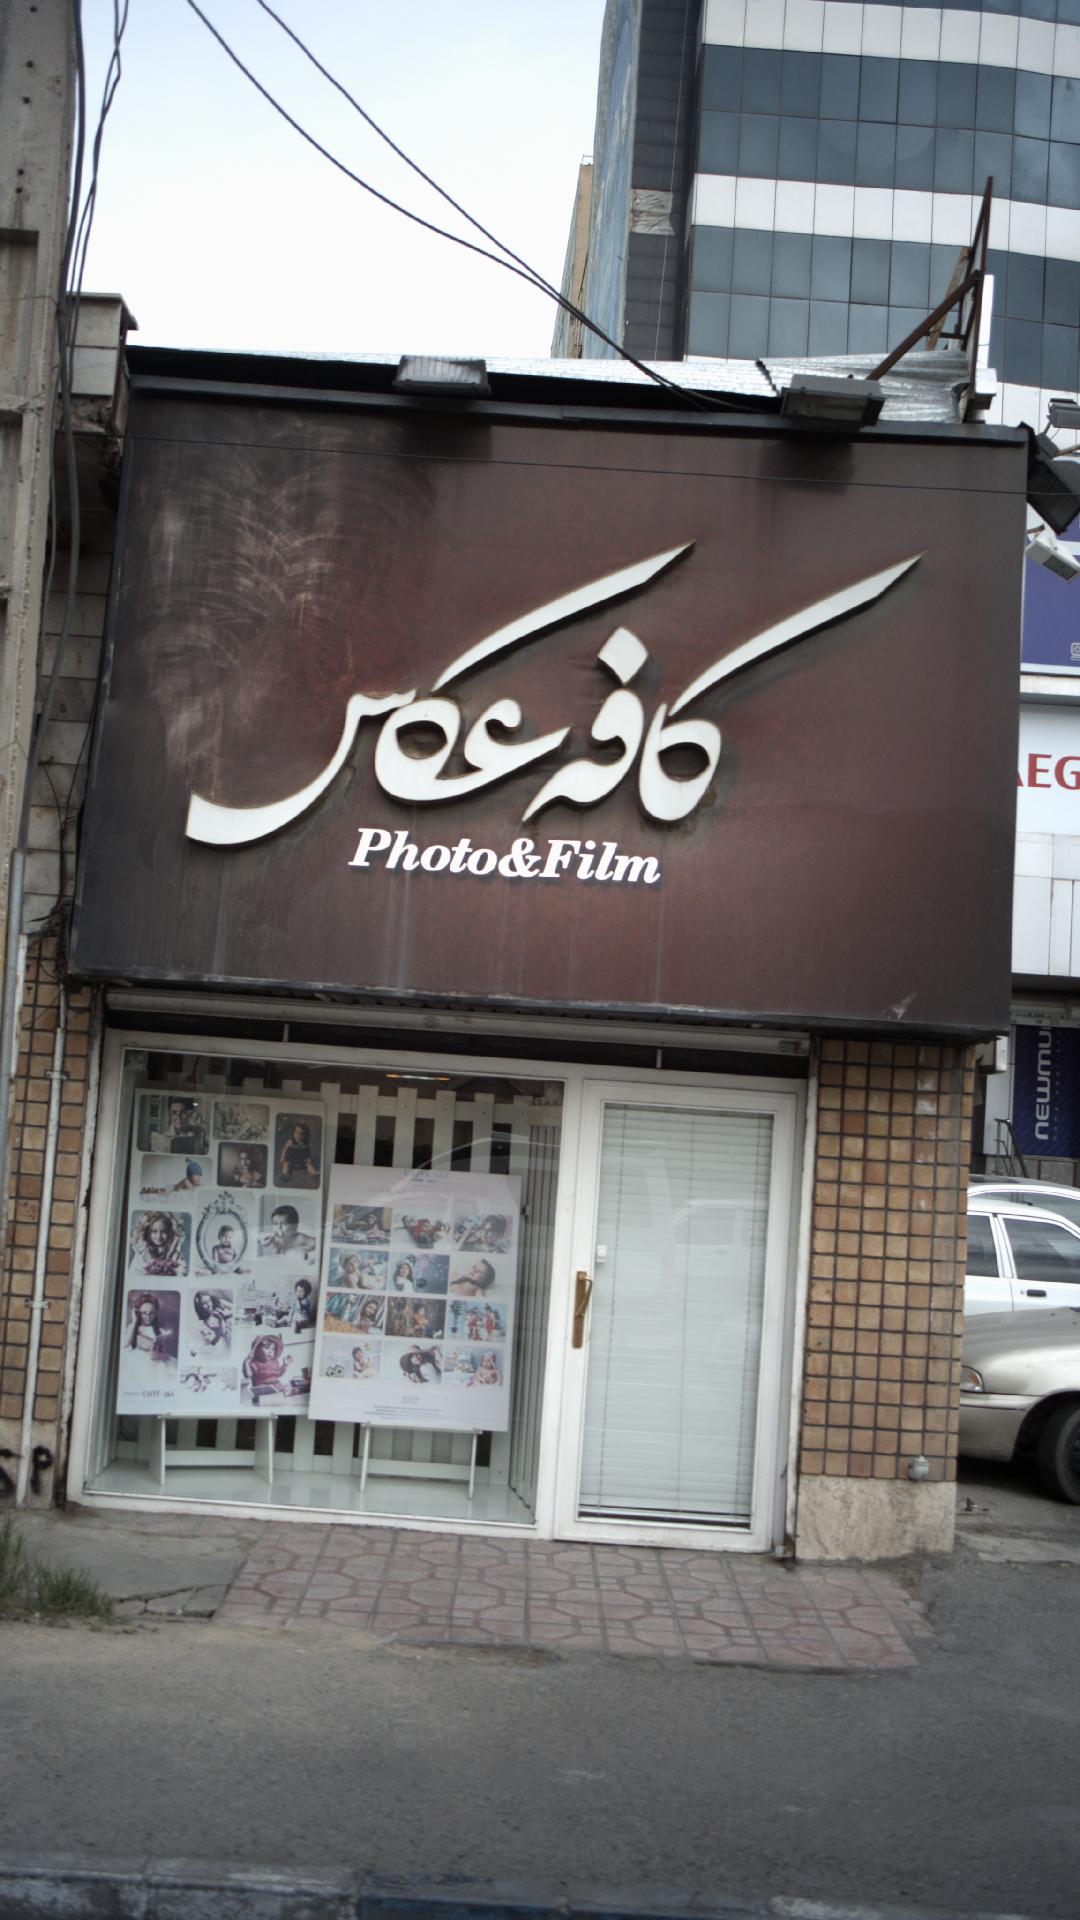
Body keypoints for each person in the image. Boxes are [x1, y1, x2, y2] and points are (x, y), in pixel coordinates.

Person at [131, 1211, 184, 1277]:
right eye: (154, 1231)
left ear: (169, 1233)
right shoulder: (142, 1252)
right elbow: (135, 1273)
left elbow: (182, 1272)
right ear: (148, 1232)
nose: (159, 1236)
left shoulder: (175, 1254)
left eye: (163, 1231)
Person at [243, 1333, 289, 1405]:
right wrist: (246, 1362)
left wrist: (285, 1365)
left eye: (273, 1349)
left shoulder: (275, 1362)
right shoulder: (255, 1364)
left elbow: (279, 1374)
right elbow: (248, 1375)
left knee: (287, 1390)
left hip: (276, 1389)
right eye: (267, 1348)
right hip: (262, 1392)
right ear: (257, 1350)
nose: (270, 1351)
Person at [279, 1120, 318, 1188]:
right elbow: (285, 1149)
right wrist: (282, 1158)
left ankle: (314, 1174)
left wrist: (308, 1159)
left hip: (302, 1161)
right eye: (296, 1132)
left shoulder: (305, 1144)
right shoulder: (290, 1142)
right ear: (293, 1133)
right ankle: (285, 1175)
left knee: (309, 1165)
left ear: (305, 1135)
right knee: (286, 1164)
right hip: (291, 1160)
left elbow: (307, 1153)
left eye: (301, 1133)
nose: (298, 1135)